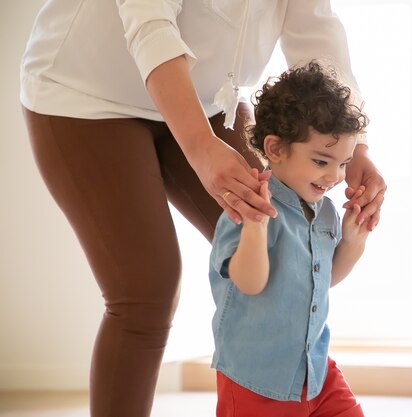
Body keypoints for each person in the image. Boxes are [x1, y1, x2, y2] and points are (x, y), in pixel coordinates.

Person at [20, 1, 385, 416]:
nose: (331, 174)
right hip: (88, 93)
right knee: (146, 290)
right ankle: (255, 391)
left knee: (279, 242)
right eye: (325, 164)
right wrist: (198, 146)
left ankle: (302, 382)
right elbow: (150, 25)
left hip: (208, 97)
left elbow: (318, 31)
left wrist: (354, 148)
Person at [209, 61, 369, 417]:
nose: (334, 176)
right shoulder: (248, 202)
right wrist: (255, 227)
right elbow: (249, 284)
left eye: (342, 164)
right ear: (276, 149)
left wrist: (354, 243)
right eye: (321, 161)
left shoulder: (324, 211)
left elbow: (321, 279)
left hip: (314, 372)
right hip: (256, 378)